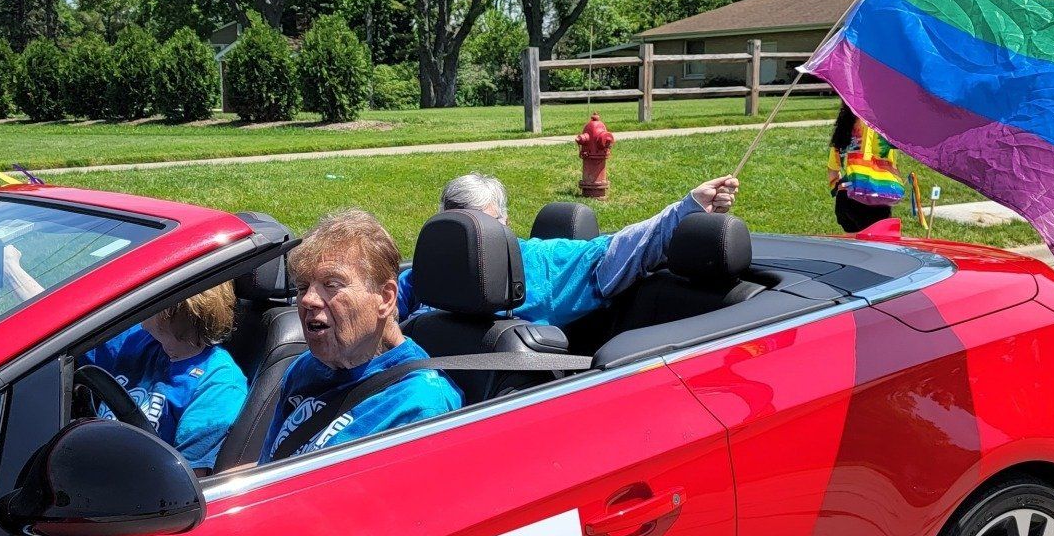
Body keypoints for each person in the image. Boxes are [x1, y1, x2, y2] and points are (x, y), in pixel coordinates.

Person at [396, 172, 740, 328]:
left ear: (505, 223)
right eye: (457, 229)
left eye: (480, 227)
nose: (468, 243)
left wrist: (687, 210)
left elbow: (619, 253)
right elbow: (380, 306)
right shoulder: (425, 276)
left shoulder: (542, 264)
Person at [261, 209, 462, 462]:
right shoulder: (305, 368)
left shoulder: (420, 405)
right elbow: (265, 467)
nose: (308, 299)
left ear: (385, 298)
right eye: (303, 287)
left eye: (332, 284)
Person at [82, 283, 248, 471]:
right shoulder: (138, 339)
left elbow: (184, 482)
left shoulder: (219, 383)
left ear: (172, 312)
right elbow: (63, 331)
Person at [828, 105, 903, 233]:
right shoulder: (886, 127)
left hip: (848, 199)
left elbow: (832, 169)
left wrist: (837, 187)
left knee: (854, 249)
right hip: (878, 199)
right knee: (879, 247)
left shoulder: (845, 125)